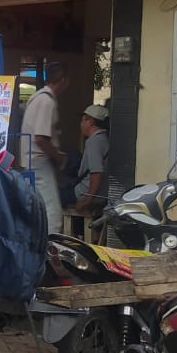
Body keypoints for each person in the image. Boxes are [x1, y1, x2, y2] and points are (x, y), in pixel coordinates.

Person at [20, 63, 69, 233]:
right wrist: (58, 157)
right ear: (63, 80)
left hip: (31, 162)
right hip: (39, 161)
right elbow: (41, 138)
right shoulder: (46, 101)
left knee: (38, 213)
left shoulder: (37, 97)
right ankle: (50, 253)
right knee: (53, 215)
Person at [74, 104, 110, 214]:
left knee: (54, 195)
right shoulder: (103, 138)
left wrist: (87, 201)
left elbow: (97, 173)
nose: (81, 125)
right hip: (101, 193)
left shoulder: (94, 142)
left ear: (90, 121)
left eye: (82, 121)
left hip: (84, 192)